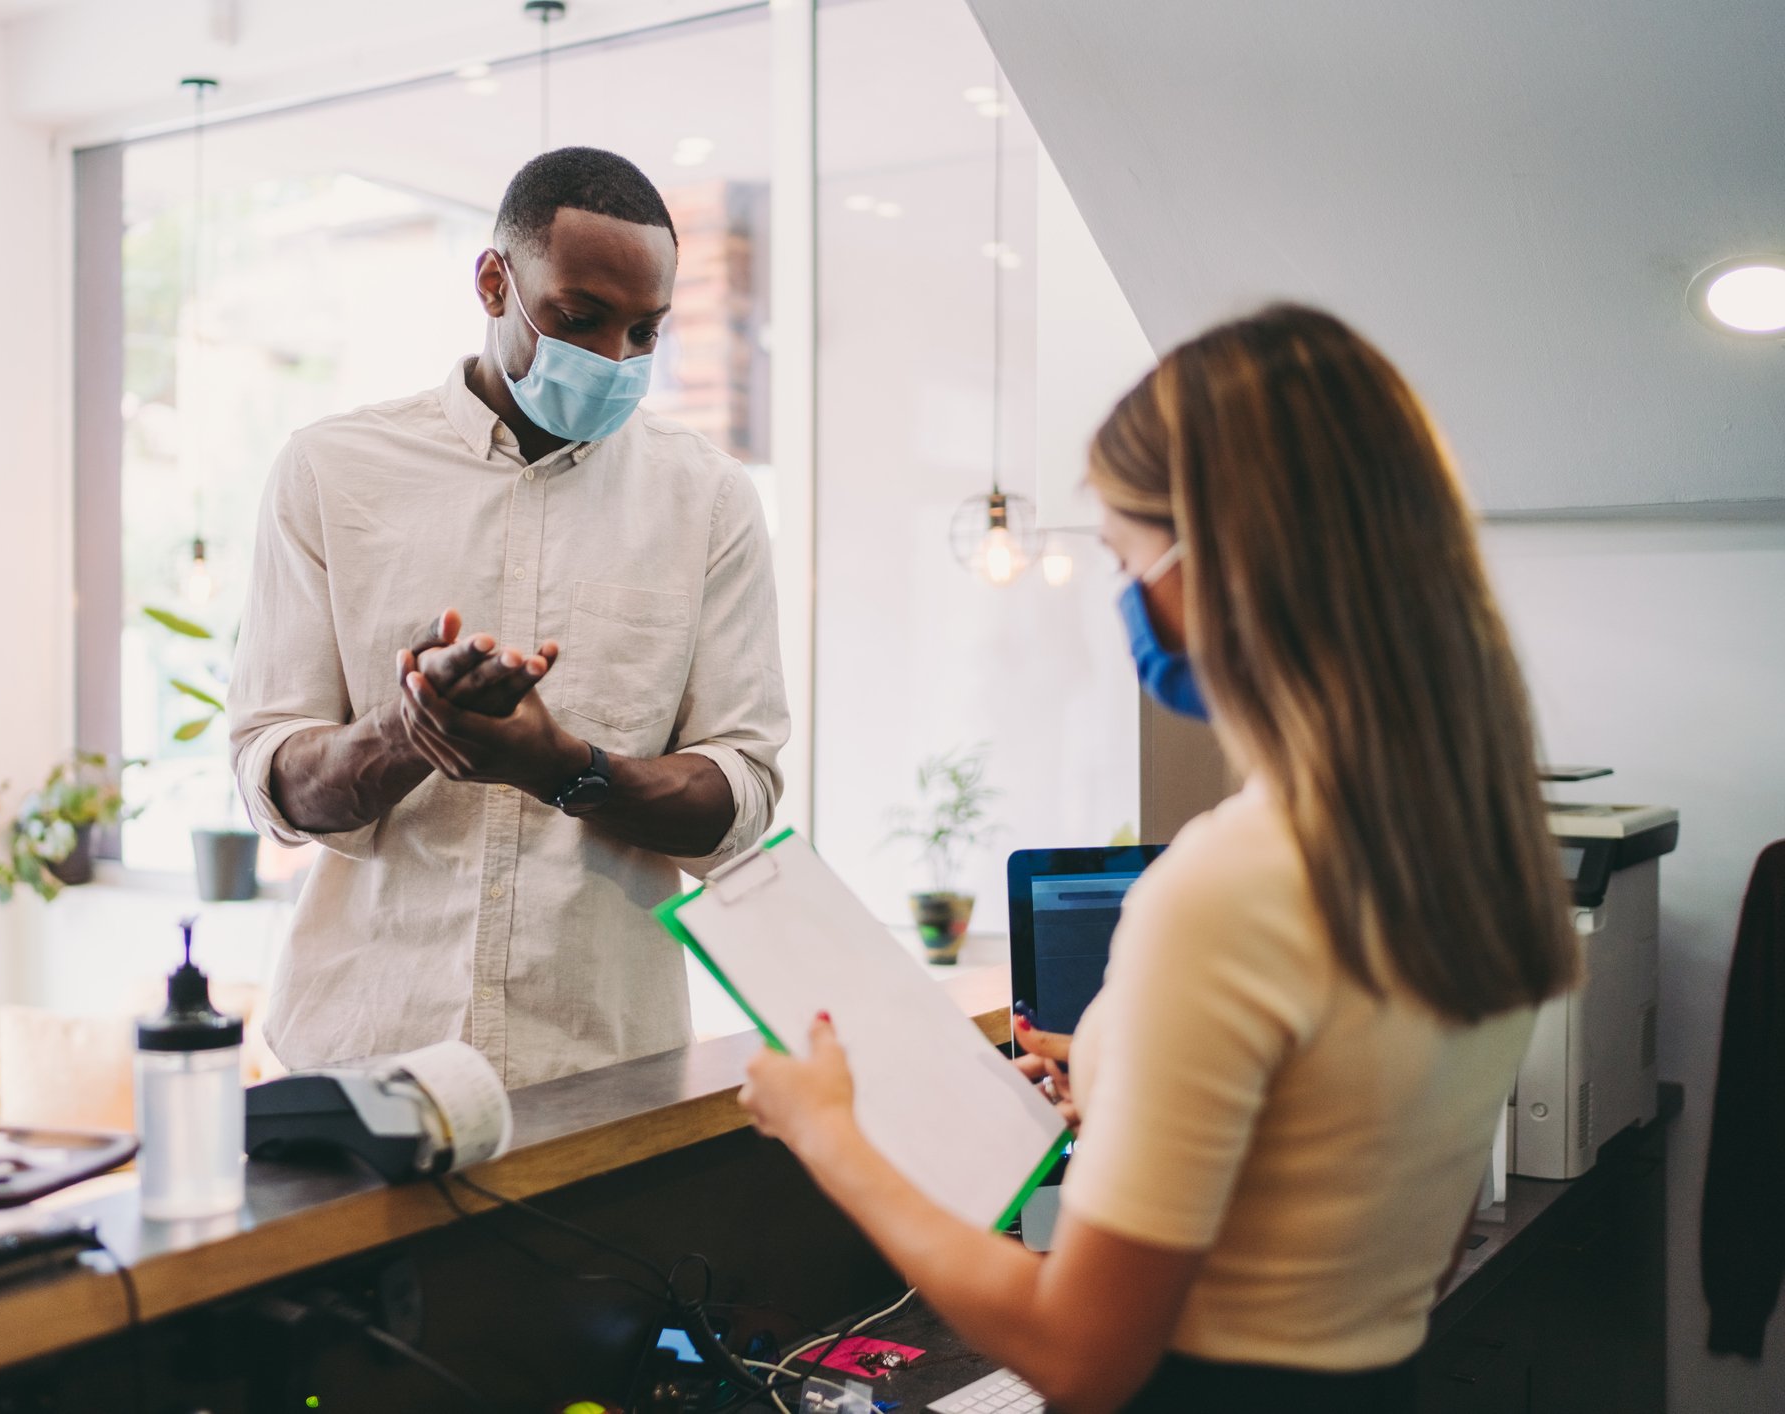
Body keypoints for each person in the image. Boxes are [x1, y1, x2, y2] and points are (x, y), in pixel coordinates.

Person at [738, 306, 1578, 1412]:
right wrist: (1129, 1089)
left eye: (1122, 555)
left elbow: (1081, 1354)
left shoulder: (1229, 883)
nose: (1122, 596)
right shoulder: (1476, 847)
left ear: (1214, 565)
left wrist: (827, 1133)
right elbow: (1367, 1215)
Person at [228, 147, 789, 1089]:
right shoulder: (331, 472)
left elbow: (742, 801)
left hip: (603, 1073)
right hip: (359, 1064)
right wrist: (413, 733)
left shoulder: (709, 503)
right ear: (496, 283)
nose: (615, 359)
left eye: (646, 332)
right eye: (581, 320)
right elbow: (273, 784)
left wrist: (566, 767)